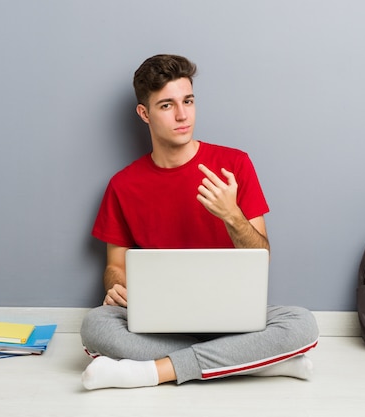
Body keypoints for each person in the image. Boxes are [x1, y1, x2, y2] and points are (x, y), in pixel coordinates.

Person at [80, 54, 319, 390]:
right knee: (96, 325)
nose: (182, 115)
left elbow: (261, 257)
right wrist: (116, 285)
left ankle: (151, 372)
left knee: (301, 323)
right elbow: (115, 265)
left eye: (188, 101)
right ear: (144, 113)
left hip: (233, 320)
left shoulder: (234, 164)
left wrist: (231, 214)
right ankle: (253, 363)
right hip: (159, 322)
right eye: (166, 106)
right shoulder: (123, 185)